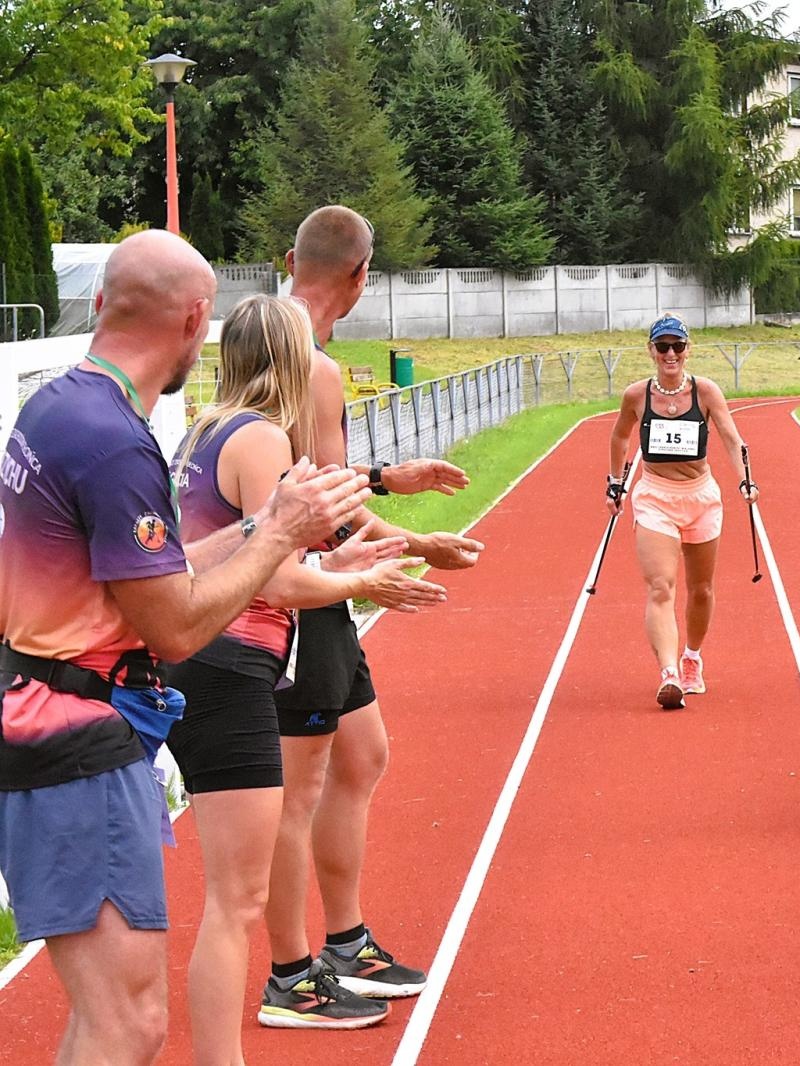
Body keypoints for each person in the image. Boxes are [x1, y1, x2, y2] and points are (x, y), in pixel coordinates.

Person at [0, 230, 368, 1065]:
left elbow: (140, 572)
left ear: (100, 304)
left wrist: (254, 528)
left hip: (44, 720)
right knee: (127, 1025)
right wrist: (277, 540)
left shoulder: (58, 404)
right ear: (198, 319)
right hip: (77, 746)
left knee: (106, 1018)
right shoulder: (115, 441)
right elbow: (176, 626)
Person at [165, 294, 449, 1056]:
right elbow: (280, 579)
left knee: (238, 888)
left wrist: (362, 547)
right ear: (290, 361)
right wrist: (357, 581)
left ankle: (295, 978)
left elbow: (274, 549)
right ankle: (287, 985)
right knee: (234, 897)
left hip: (210, 655)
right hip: (229, 661)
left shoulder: (206, 427)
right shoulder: (258, 439)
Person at [261, 205, 484, 1027]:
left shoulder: (269, 338)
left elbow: (327, 477)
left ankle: (346, 940)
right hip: (304, 583)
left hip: (312, 568)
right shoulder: (311, 365)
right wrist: (411, 542)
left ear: (290, 258)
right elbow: (326, 503)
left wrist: (390, 484)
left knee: (361, 756)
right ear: (361, 278)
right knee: (298, 787)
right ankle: (291, 975)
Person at [605, 314, 758, 708]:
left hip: (701, 496)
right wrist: (614, 482)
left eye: (677, 346)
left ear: (688, 350)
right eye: (662, 347)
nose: (670, 354)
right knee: (661, 586)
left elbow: (730, 438)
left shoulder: (705, 392)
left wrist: (745, 480)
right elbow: (620, 436)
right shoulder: (636, 396)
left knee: (701, 589)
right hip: (655, 495)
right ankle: (669, 673)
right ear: (651, 351)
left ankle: (692, 657)